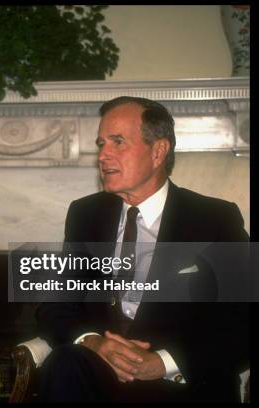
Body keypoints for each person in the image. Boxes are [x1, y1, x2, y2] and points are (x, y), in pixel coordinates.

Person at [36, 96, 249, 402]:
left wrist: (161, 363)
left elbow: (243, 322)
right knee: (65, 361)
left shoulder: (214, 219)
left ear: (158, 151)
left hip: (180, 386)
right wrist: (93, 343)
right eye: (101, 143)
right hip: (100, 379)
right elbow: (56, 306)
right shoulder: (86, 214)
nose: (103, 155)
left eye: (118, 142)